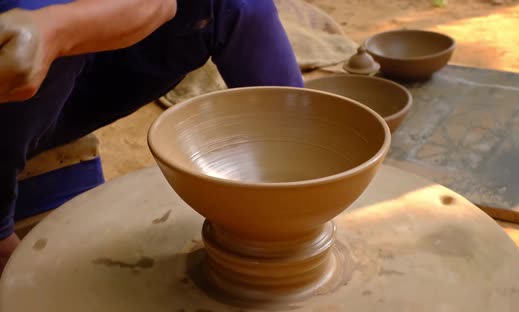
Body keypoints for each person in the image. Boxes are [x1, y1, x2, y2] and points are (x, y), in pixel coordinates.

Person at [0, 0, 304, 274]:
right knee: (19, 35)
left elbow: (160, 4)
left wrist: (58, 27)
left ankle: (301, 168)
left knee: (235, 5)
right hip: (16, 65)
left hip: (73, 58)